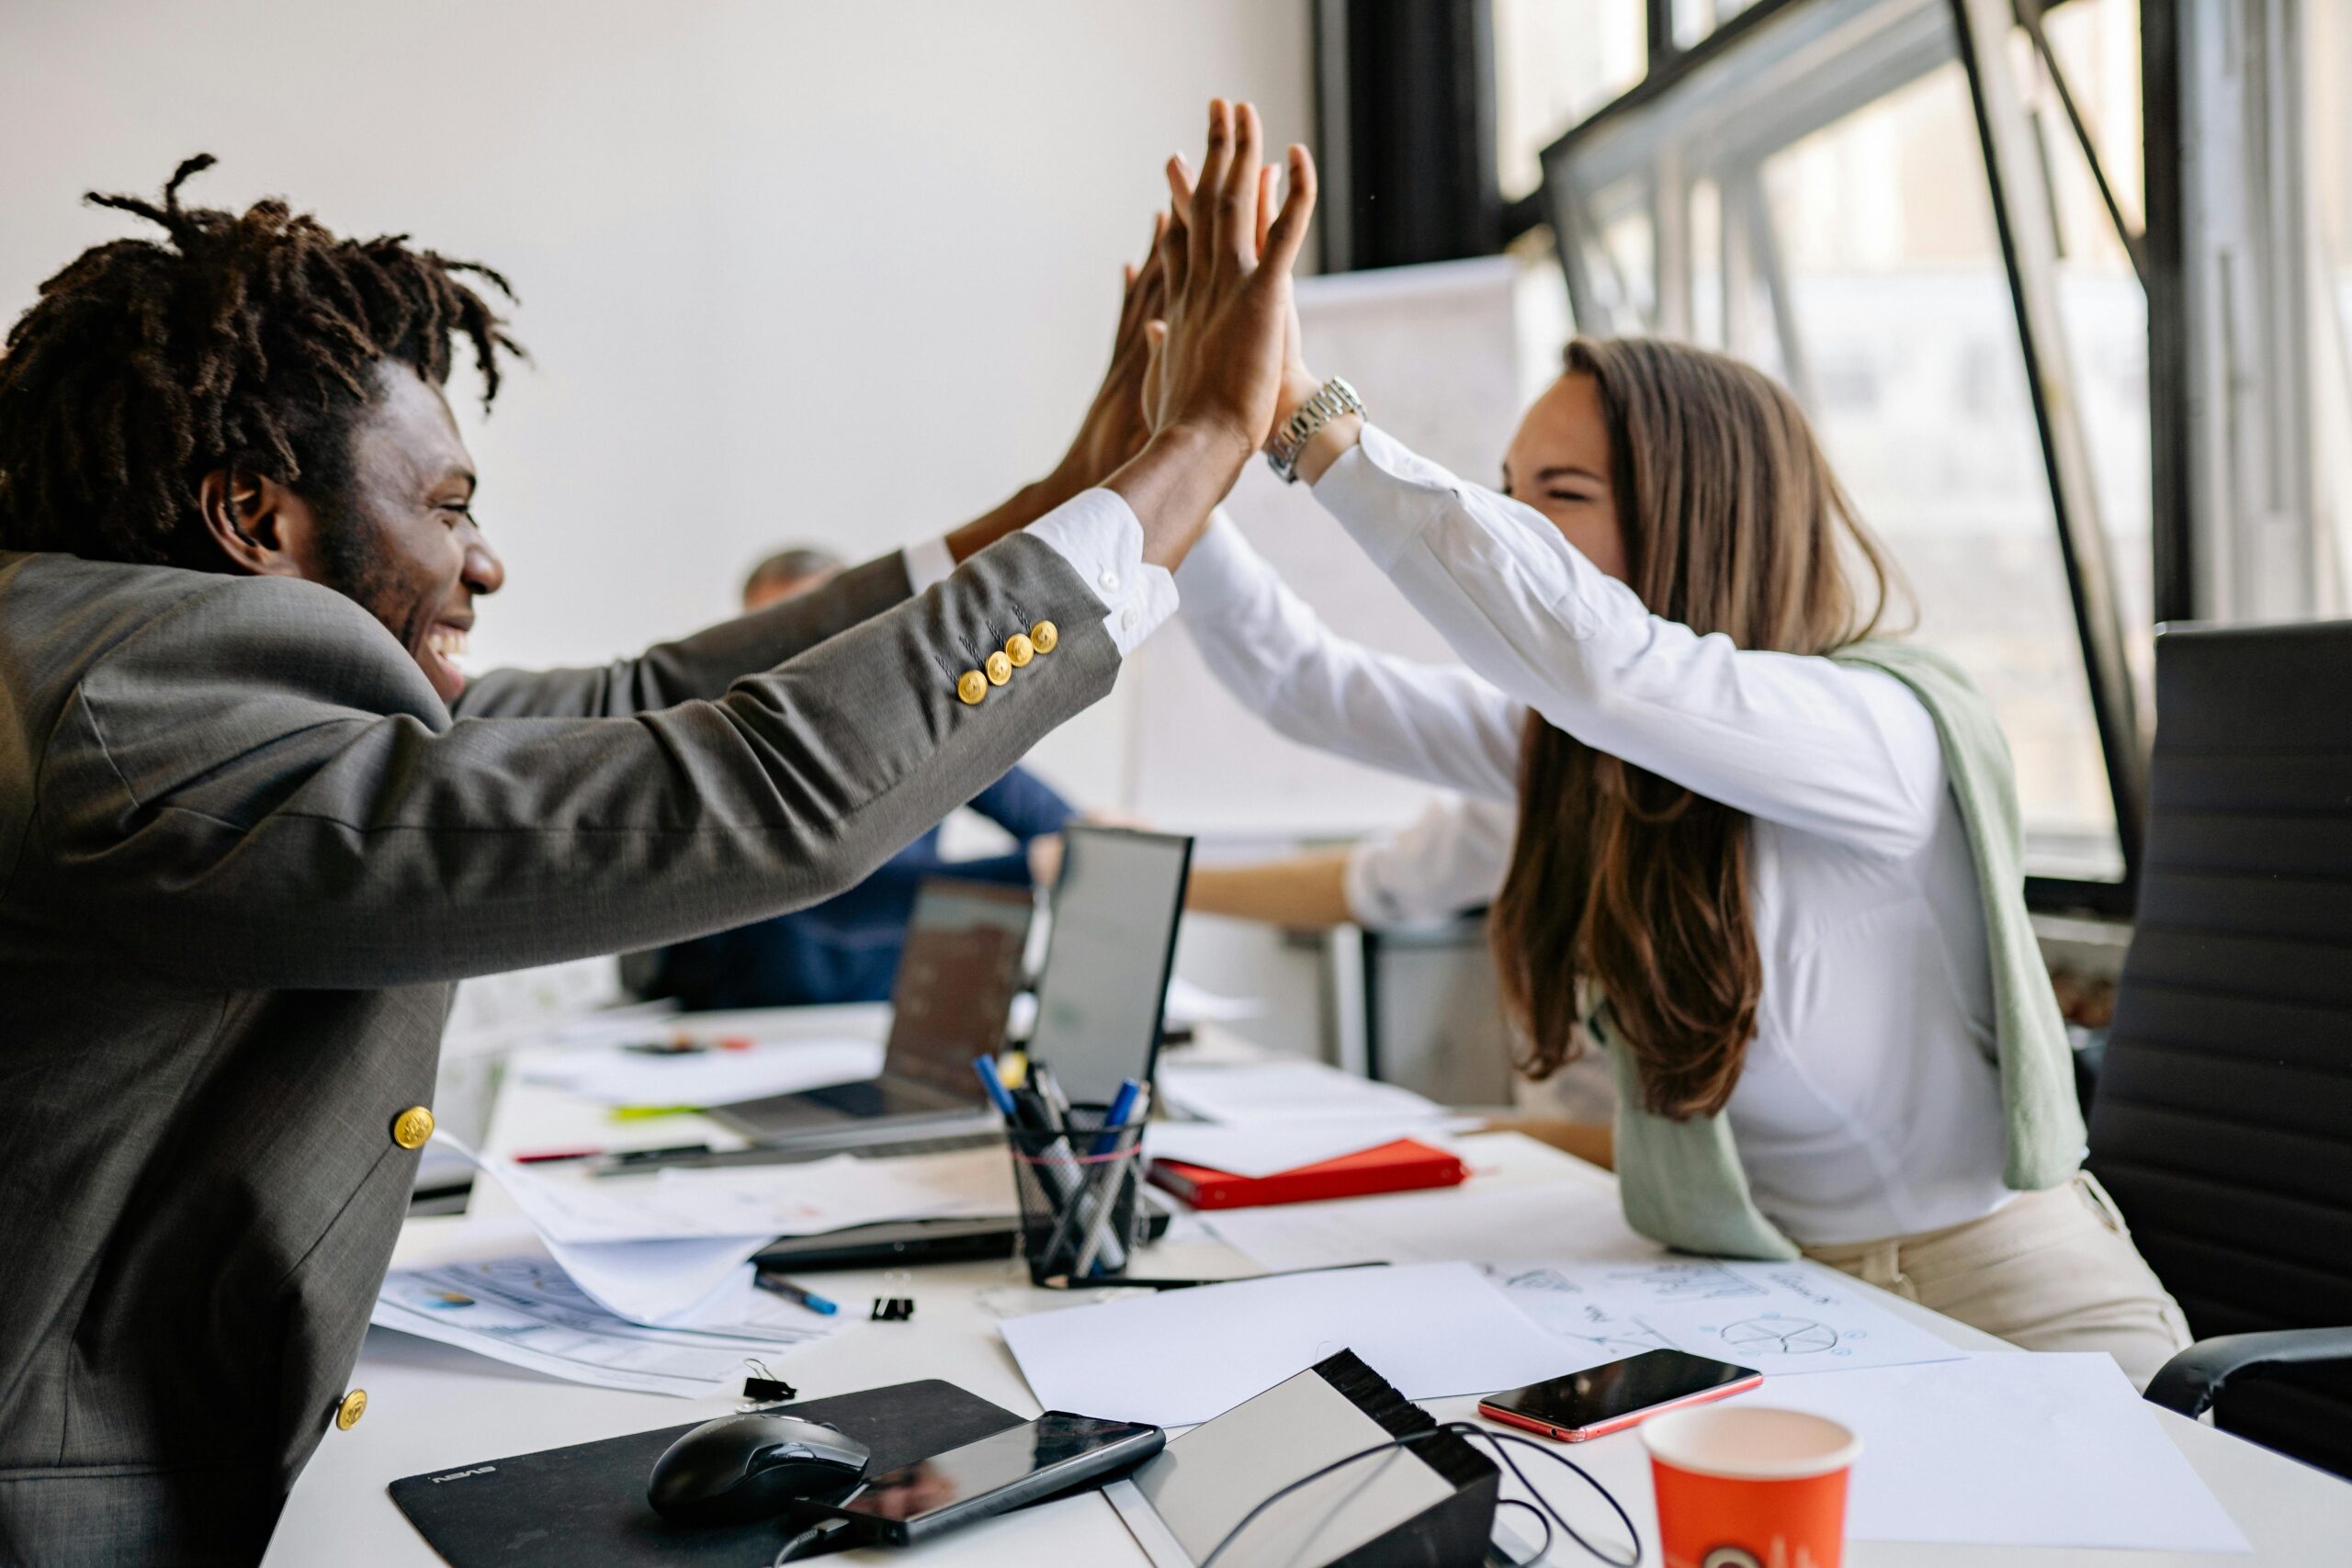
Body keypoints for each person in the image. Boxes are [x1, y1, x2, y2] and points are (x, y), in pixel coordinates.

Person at [0, 102, 1314, 1565]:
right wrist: (1202, 442)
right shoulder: (138, 715)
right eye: (447, 506)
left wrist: (1065, 504)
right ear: (258, 515)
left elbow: (637, 701)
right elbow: (748, 794)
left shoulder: (114, 652)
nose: (484, 559)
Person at [1162, 307, 2190, 1387]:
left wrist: (1310, 422)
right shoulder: (1575, 750)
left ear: (1703, 516)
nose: (1518, 529)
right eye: (1509, 493)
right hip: (1779, 1295)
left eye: (1560, 495)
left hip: (2013, 1294)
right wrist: (1176, 466)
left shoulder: (1871, 731)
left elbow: (1603, 665)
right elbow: (1302, 686)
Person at [644, 545, 1076, 1009]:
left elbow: (1052, 819)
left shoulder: (920, 723)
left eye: (813, 632)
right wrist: (1027, 869)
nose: (795, 659)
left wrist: (1091, 841)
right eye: (771, 638)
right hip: (747, 1016)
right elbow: (844, 891)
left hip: (877, 1014)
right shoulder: (732, 749)